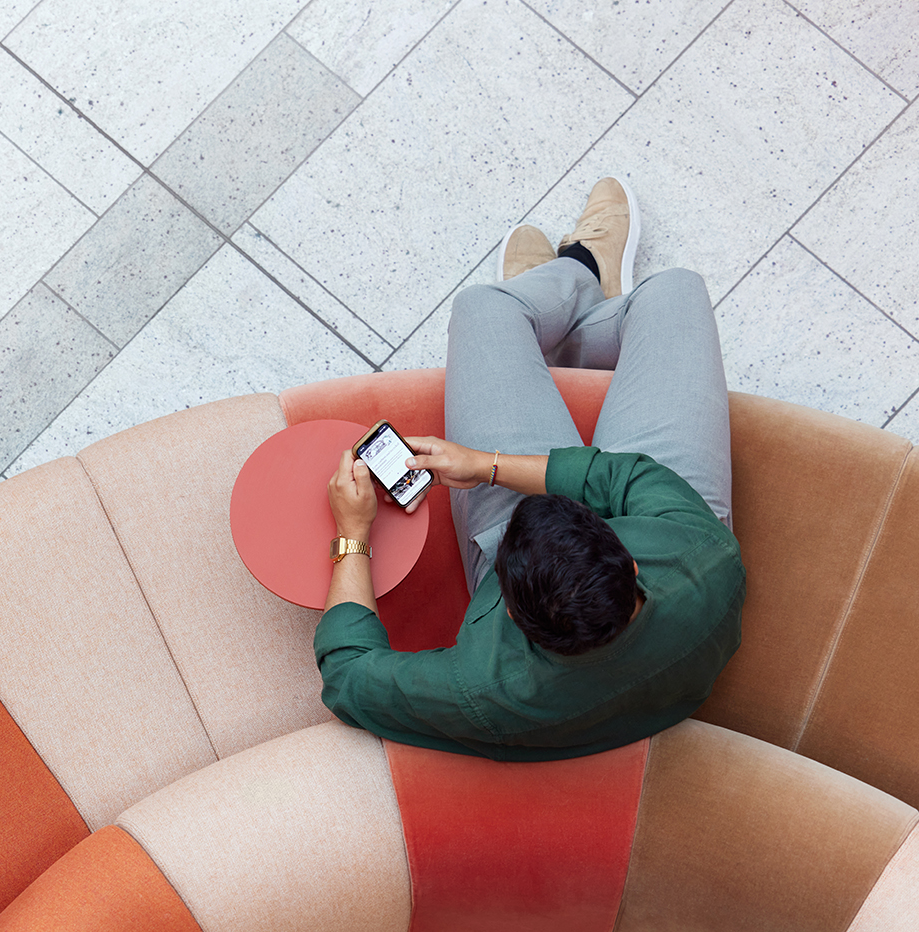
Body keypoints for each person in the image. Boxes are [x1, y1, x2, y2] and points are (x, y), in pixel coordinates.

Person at [313, 177, 745, 760]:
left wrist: (353, 534)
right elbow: (617, 478)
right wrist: (485, 465)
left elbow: (348, 675)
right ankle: (582, 284)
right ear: (629, 559)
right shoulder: (706, 556)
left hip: (579, 599)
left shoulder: (486, 690)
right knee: (675, 290)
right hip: (675, 537)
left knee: (484, 307)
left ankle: (569, 276)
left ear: (512, 611)